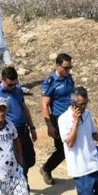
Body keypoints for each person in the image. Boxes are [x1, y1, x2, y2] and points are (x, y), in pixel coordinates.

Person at [0, 67, 37, 186]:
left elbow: (24, 108)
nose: (13, 87)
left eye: (15, 83)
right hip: (9, 133)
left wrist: (32, 127)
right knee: (22, 165)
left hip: (23, 130)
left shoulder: (18, 89)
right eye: (10, 84)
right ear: (2, 80)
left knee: (30, 160)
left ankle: (13, 182)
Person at [39, 53, 75, 186]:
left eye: (70, 67)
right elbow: (45, 104)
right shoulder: (50, 82)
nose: (68, 70)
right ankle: (46, 168)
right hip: (59, 119)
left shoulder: (69, 78)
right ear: (57, 66)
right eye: (65, 68)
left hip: (73, 116)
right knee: (62, 150)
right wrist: (49, 125)